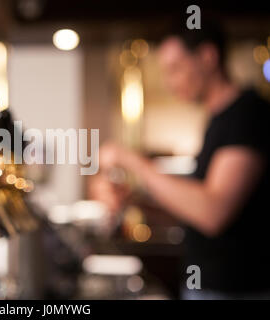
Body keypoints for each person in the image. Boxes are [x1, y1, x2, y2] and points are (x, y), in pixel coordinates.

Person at [90, 23, 270, 299]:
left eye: (175, 68)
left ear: (208, 57)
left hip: (236, 290)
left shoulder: (247, 115)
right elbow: (193, 212)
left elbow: (213, 212)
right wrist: (135, 199)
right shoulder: (218, 121)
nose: (170, 81)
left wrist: (133, 160)